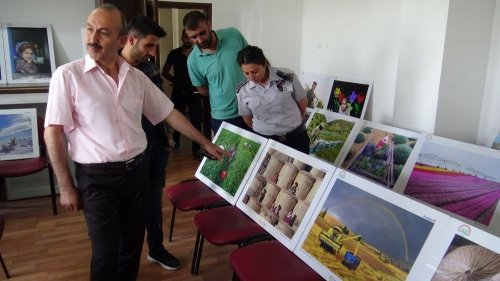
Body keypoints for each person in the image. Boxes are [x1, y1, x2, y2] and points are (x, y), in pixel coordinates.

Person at [44, 5, 223, 281]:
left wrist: (204, 142)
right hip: (97, 178)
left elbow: (169, 113)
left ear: (120, 39)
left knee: (131, 245)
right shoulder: (68, 76)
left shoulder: (137, 78)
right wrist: (66, 186)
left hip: (136, 173)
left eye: (103, 32)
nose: (93, 38)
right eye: (90, 29)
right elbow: (52, 132)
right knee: (106, 251)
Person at [120, 16, 179, 271]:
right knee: (125, 212)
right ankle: (122, 260)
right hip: (127, 156)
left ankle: (156, 249)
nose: (153, 52)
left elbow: (162, 110)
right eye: (149, 46)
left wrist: (167, 136)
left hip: (155, 148)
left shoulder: (150, 69)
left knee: (153, 204)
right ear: (131, 39)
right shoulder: (110, 70)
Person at [183, 11, 249, 134]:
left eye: (202, 33)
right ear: (188, 35)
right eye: (194, 37)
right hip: (224, 116)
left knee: (255, 152)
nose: (200, 40)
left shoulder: (233, 34)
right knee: (228, 153)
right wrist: (222, 92)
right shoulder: (192, 60)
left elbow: (251, 60)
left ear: (209, 25)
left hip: (252, 107)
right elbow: (202, 89)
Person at [236, 45, 310, 154]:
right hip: (265, 141)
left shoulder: (286, 77)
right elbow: (247, 118)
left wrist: (292, 124)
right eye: (246, 73)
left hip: (295, 137)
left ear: (264, 63)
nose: (251, 78)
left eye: (255, 71)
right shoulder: (242, 90)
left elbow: (302, 103)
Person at [162, 29, 203, 159]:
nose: (188, 39)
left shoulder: (199, 54)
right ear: (182, 38)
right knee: (175, 120)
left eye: (189, 37)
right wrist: (176, 81)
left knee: (196, 120)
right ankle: (175, 144)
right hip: (178, 92)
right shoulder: (174, 53)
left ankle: (196, 149)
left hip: (195, 91)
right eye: (185, 37)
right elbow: (165, 72)